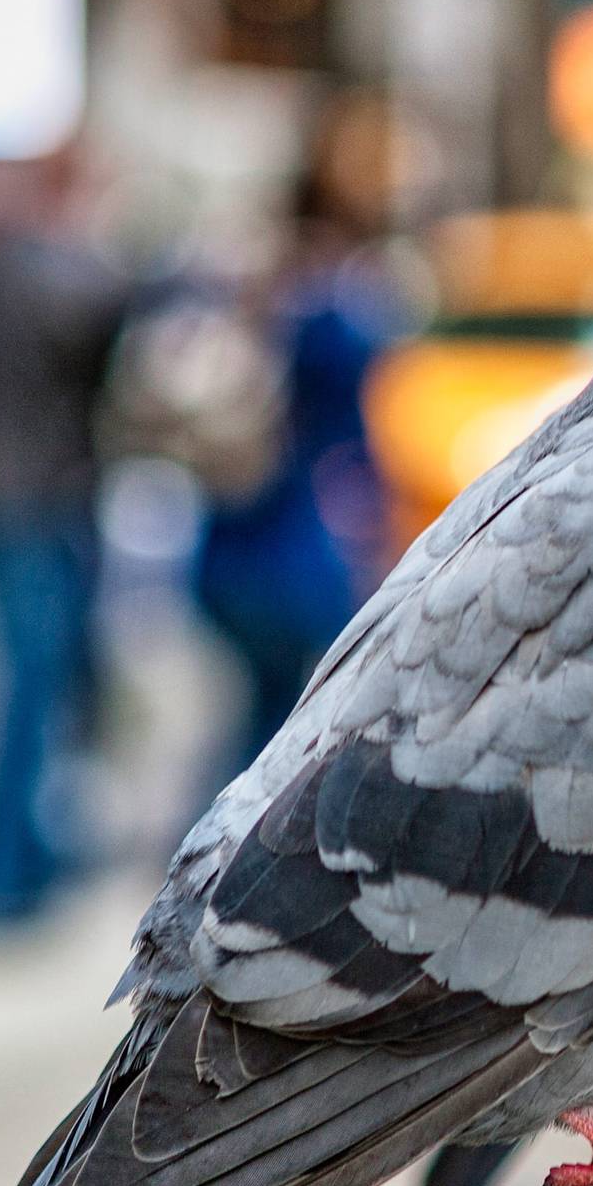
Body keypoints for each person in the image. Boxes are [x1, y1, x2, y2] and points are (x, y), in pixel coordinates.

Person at [0, 154, 128, 923]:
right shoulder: (51, 274)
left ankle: (13, 858)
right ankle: (4, 875)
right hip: (37, 501)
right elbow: (102, 323)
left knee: (18, 684)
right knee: (32, 687)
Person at [193, 93, 407, 776]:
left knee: (260, 714)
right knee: (279, 725)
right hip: (295, 538)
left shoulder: (264, 279)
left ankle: (208, 852)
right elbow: (351, 419)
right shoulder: (341, 294)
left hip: (238, 530)